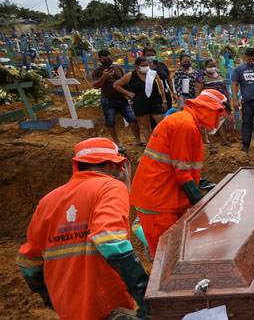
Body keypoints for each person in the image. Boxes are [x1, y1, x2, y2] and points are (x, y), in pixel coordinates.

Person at [17, 138, 150, 319]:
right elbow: (109, 238)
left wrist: (49, 298)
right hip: (106, 305)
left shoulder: (47, 201)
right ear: (113, 164)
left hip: (68, 309)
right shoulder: (110, 187)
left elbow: (28, 260)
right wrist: (143, 294)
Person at [130, 89, 227, 258]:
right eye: (219, 116)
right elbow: (182, 173)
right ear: (209, 109)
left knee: (174, 251)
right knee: (167, 257)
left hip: (164, 196)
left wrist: (203, 185)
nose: (219, 121)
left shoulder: (185, 121)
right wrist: (202, 209)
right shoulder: (186, 126)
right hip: (160, 201)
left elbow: (181, 167)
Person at [92, 49, 143, 146]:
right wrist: (104, 77)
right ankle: (117, 143)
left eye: (109, 58)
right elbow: (95, 85)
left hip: (121, 98)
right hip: (108, 99)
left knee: (132, 119)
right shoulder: (97, 71)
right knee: (110, 122)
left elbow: (124, 81)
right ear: (100, 59)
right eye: (104, 59)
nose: (107, 60)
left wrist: (129, 94)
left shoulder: (117, 68)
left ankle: (138, 140)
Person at [113, 56, 167, 142]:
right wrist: (129, 93)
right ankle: (150, 145)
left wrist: (164, 100)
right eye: (143, 65)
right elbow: (116, 85)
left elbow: (161, 88)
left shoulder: (153, 74)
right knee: (146, 126)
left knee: (162, 124)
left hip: (154, 101)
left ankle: (165, 142)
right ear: (137, 66)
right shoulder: (130, 75)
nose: (146, 67)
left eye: (147, 65)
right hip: (140, 103)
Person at [196, 57, 234, 150]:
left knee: (220, 123)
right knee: (210, 123)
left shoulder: (220, 74)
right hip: (208, 104)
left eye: (214, 66)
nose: (213, 68)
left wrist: (228, 100)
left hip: (221, 103)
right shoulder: (201, 78)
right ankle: (212, 143)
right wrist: (200, 104)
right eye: (210, 66)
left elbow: (225, 88)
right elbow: (198, 92)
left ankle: (224, 141)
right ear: (205, 66)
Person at [144, 47, 176, 111]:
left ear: (155, 55)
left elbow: (169, 80)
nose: (150, 57)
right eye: (148, 55)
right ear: (144, 56)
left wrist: (174, 93)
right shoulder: (143, 68)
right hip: (152, 95)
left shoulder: (162, 65)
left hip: (166, 93)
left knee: (168, 111)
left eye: (152, 55)